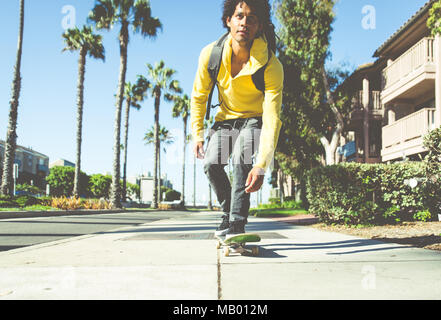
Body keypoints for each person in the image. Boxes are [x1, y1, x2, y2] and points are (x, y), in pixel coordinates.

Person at [190, 0, 283, 237]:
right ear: (228, 20)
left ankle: (237, 223)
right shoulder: (211, 55)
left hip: (254, 120)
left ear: (259, 26)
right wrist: (198, 133)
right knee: (211, 164)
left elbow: (271, 117)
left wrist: (261, 165)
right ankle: (228, 212)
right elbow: (199, 96)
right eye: (239, 16)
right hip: (225, 121)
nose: (244, 23)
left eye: (251, 18)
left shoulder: (271, 65)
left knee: (243, 156)